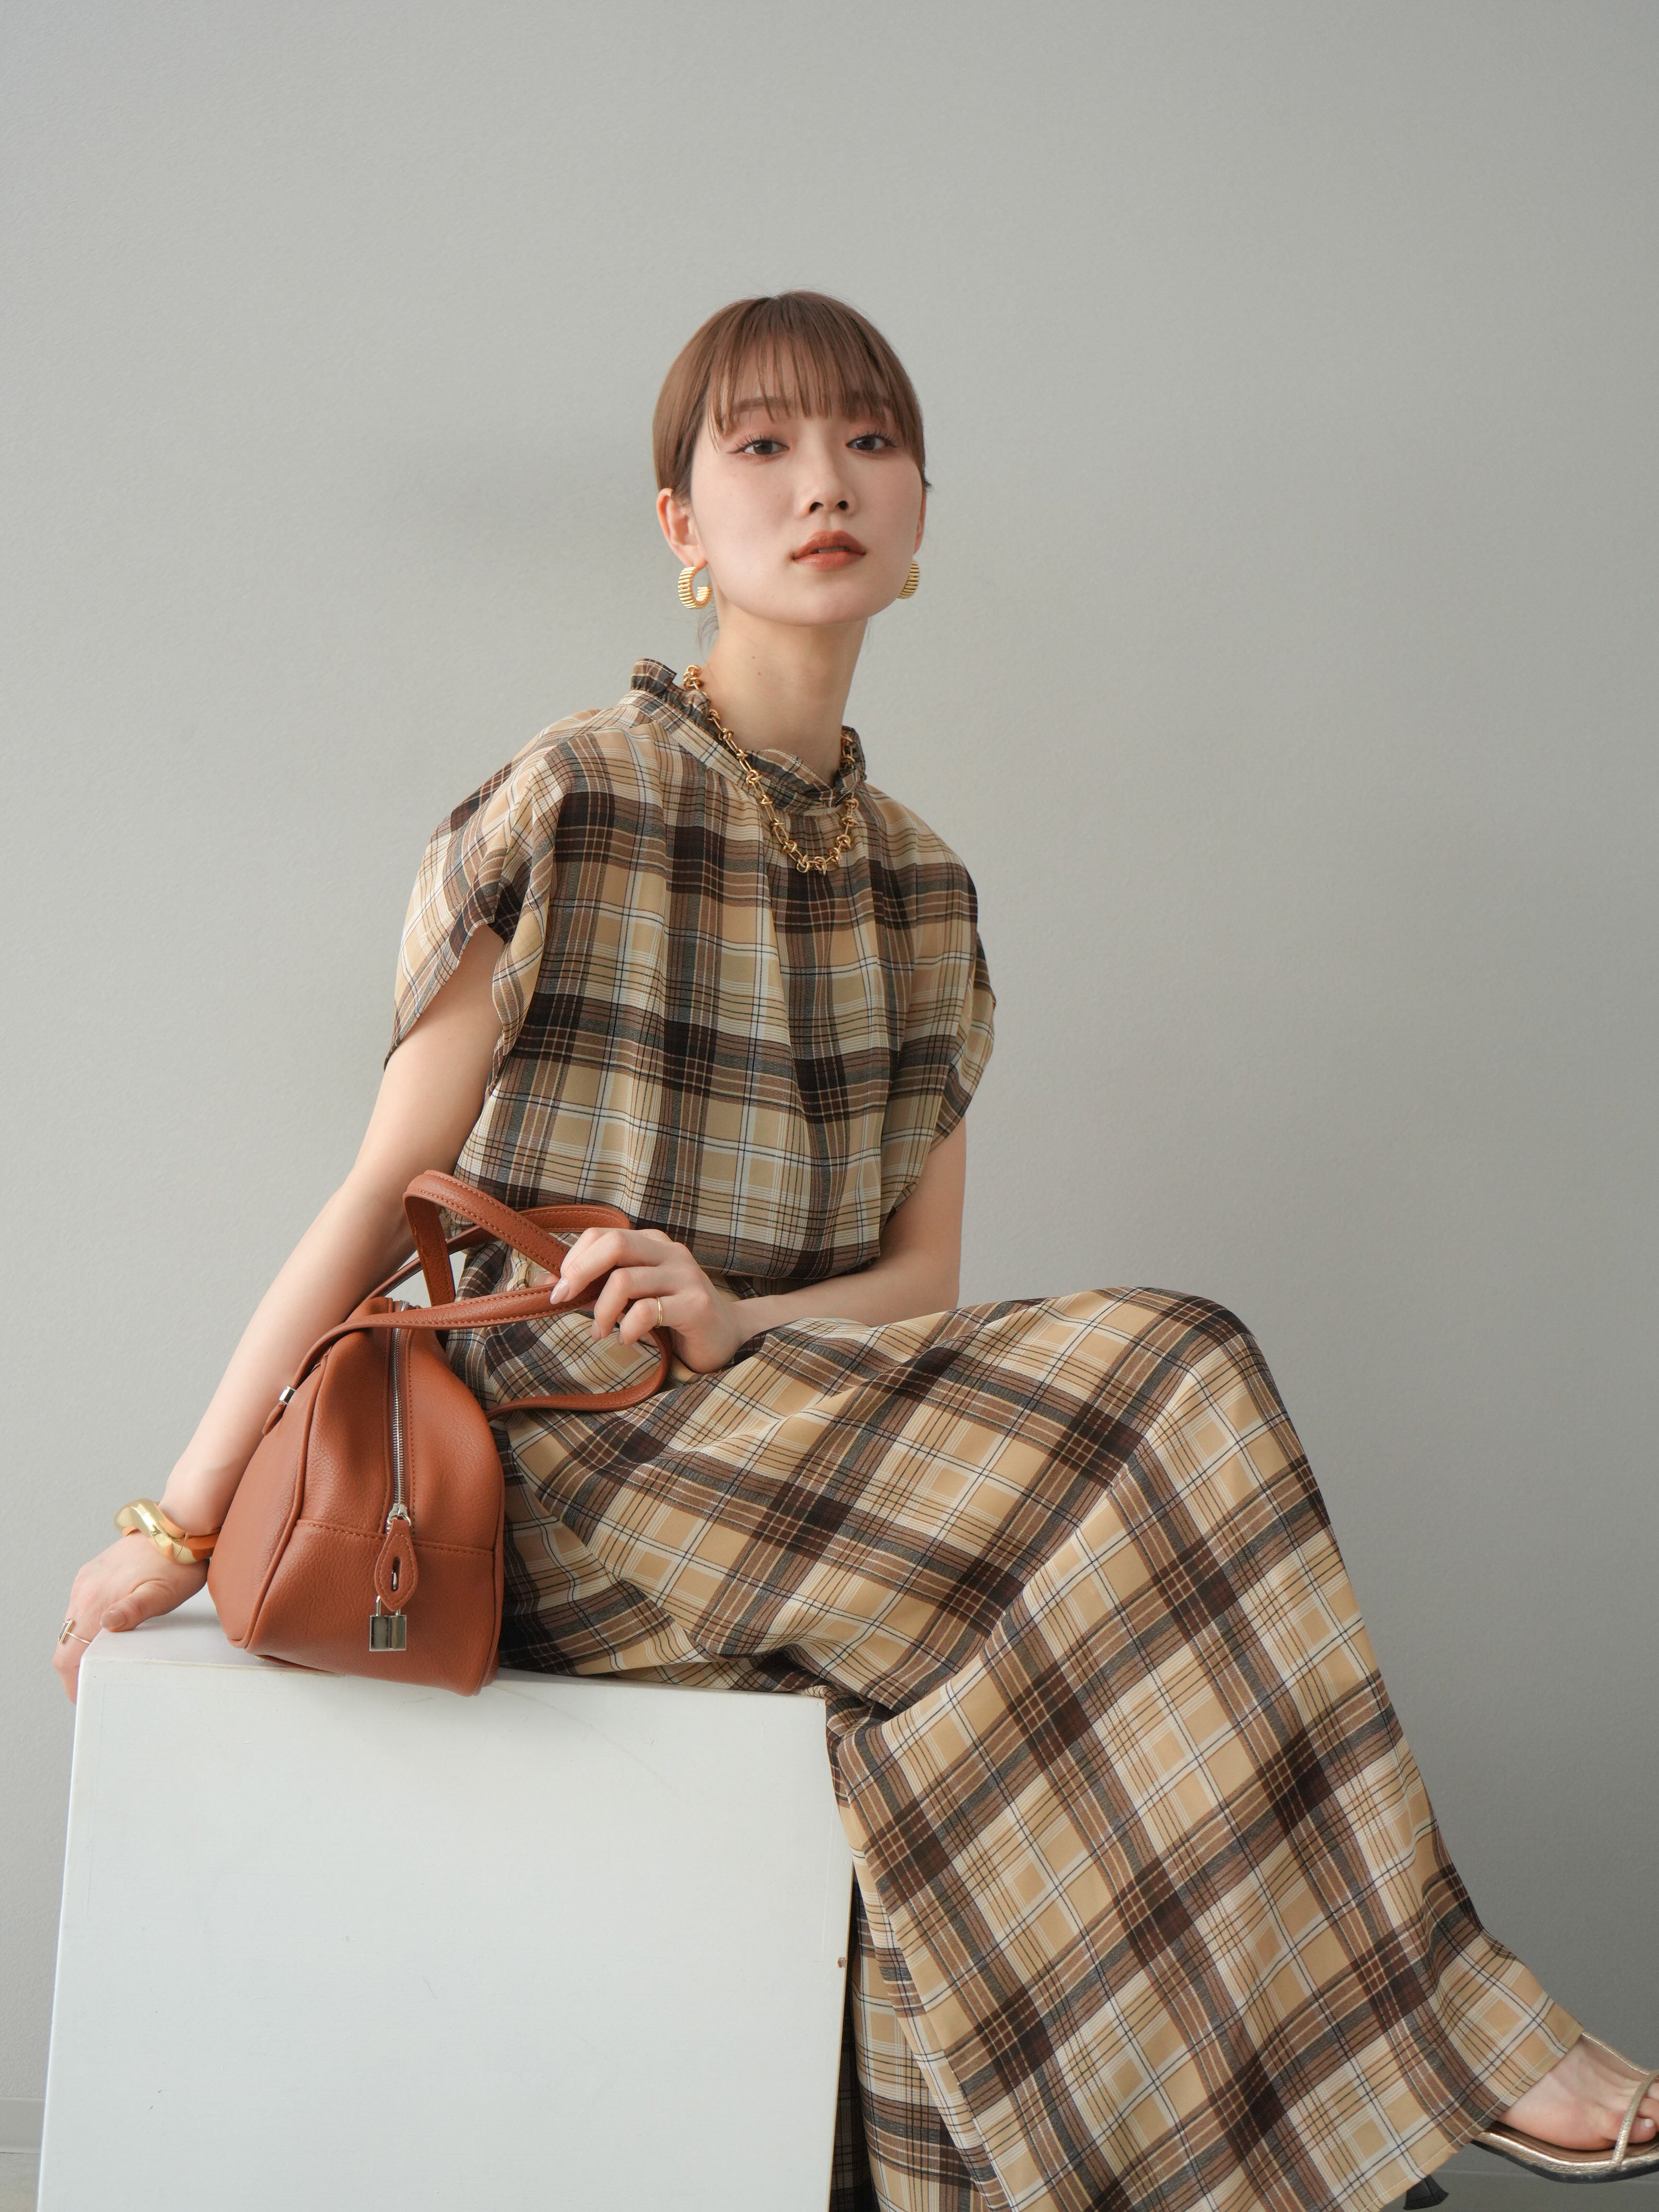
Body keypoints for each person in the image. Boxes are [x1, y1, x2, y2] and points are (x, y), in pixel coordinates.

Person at [53, 291, 1656, 2212]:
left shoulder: (927, 892)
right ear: (680, 522)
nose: (824, 484)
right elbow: (378, 1190)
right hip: (562, 1473)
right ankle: (1447, 2037)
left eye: (869, 444)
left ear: (918, 516)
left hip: (792, 1438)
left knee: (1016, 1679)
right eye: (764, 447)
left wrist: (739, 1313)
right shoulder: (576, 795)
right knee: (1175, 1374)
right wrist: (174, 1524)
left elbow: (916, 1293)